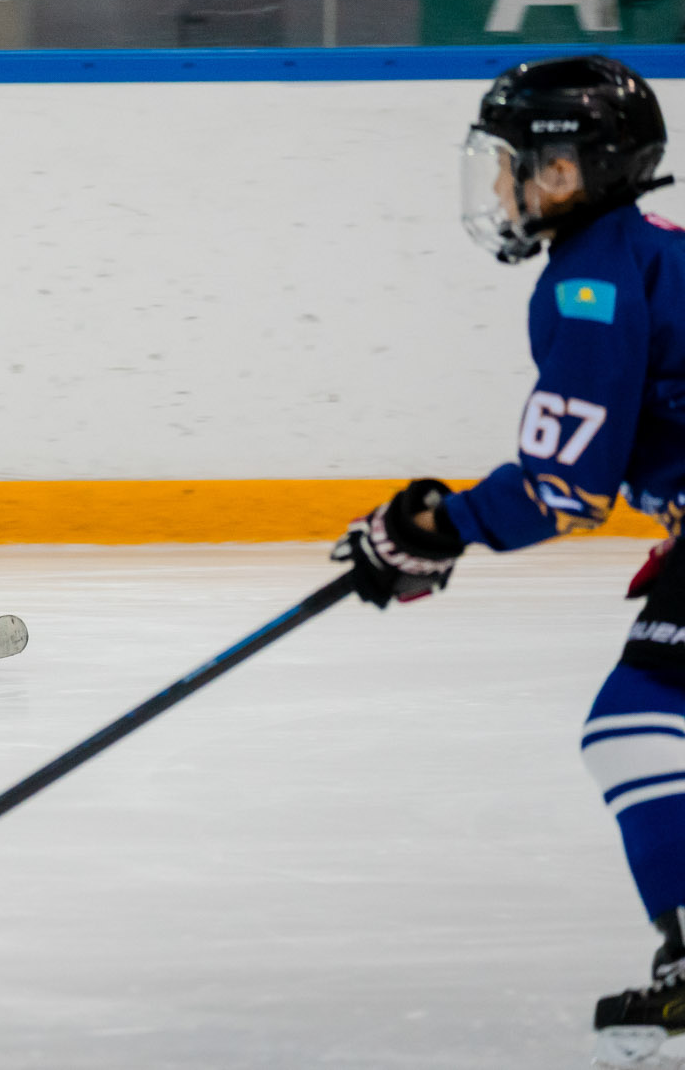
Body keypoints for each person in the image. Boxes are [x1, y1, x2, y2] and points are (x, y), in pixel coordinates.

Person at [331, 55, 685, 1066]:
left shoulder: (591, 280)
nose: (497, 184)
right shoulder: (643, 250)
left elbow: (564, 489)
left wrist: (434, 526)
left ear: (573, 170)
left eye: (515, 163)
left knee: (636, 723)